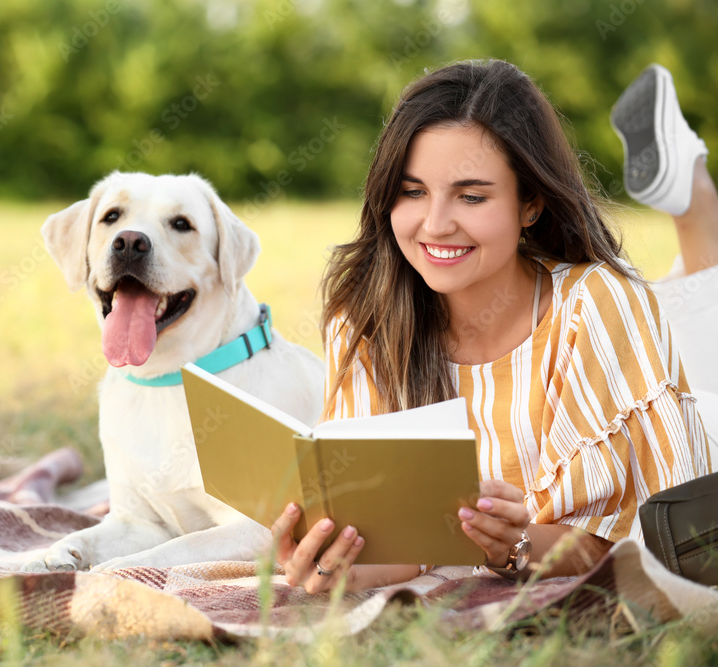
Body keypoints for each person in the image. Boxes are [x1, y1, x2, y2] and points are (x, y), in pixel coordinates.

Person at [271, 60, 715, 594]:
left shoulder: (595, 308)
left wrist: (518, 542)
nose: (435, 225)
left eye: (472, 196)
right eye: (412, 192)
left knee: (701, 315)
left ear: (531, 203)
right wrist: (333, 563)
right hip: (636, 346)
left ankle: (694, 197)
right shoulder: (365, 320)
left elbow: (626, 543)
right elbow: (397, 547)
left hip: (690, 424)